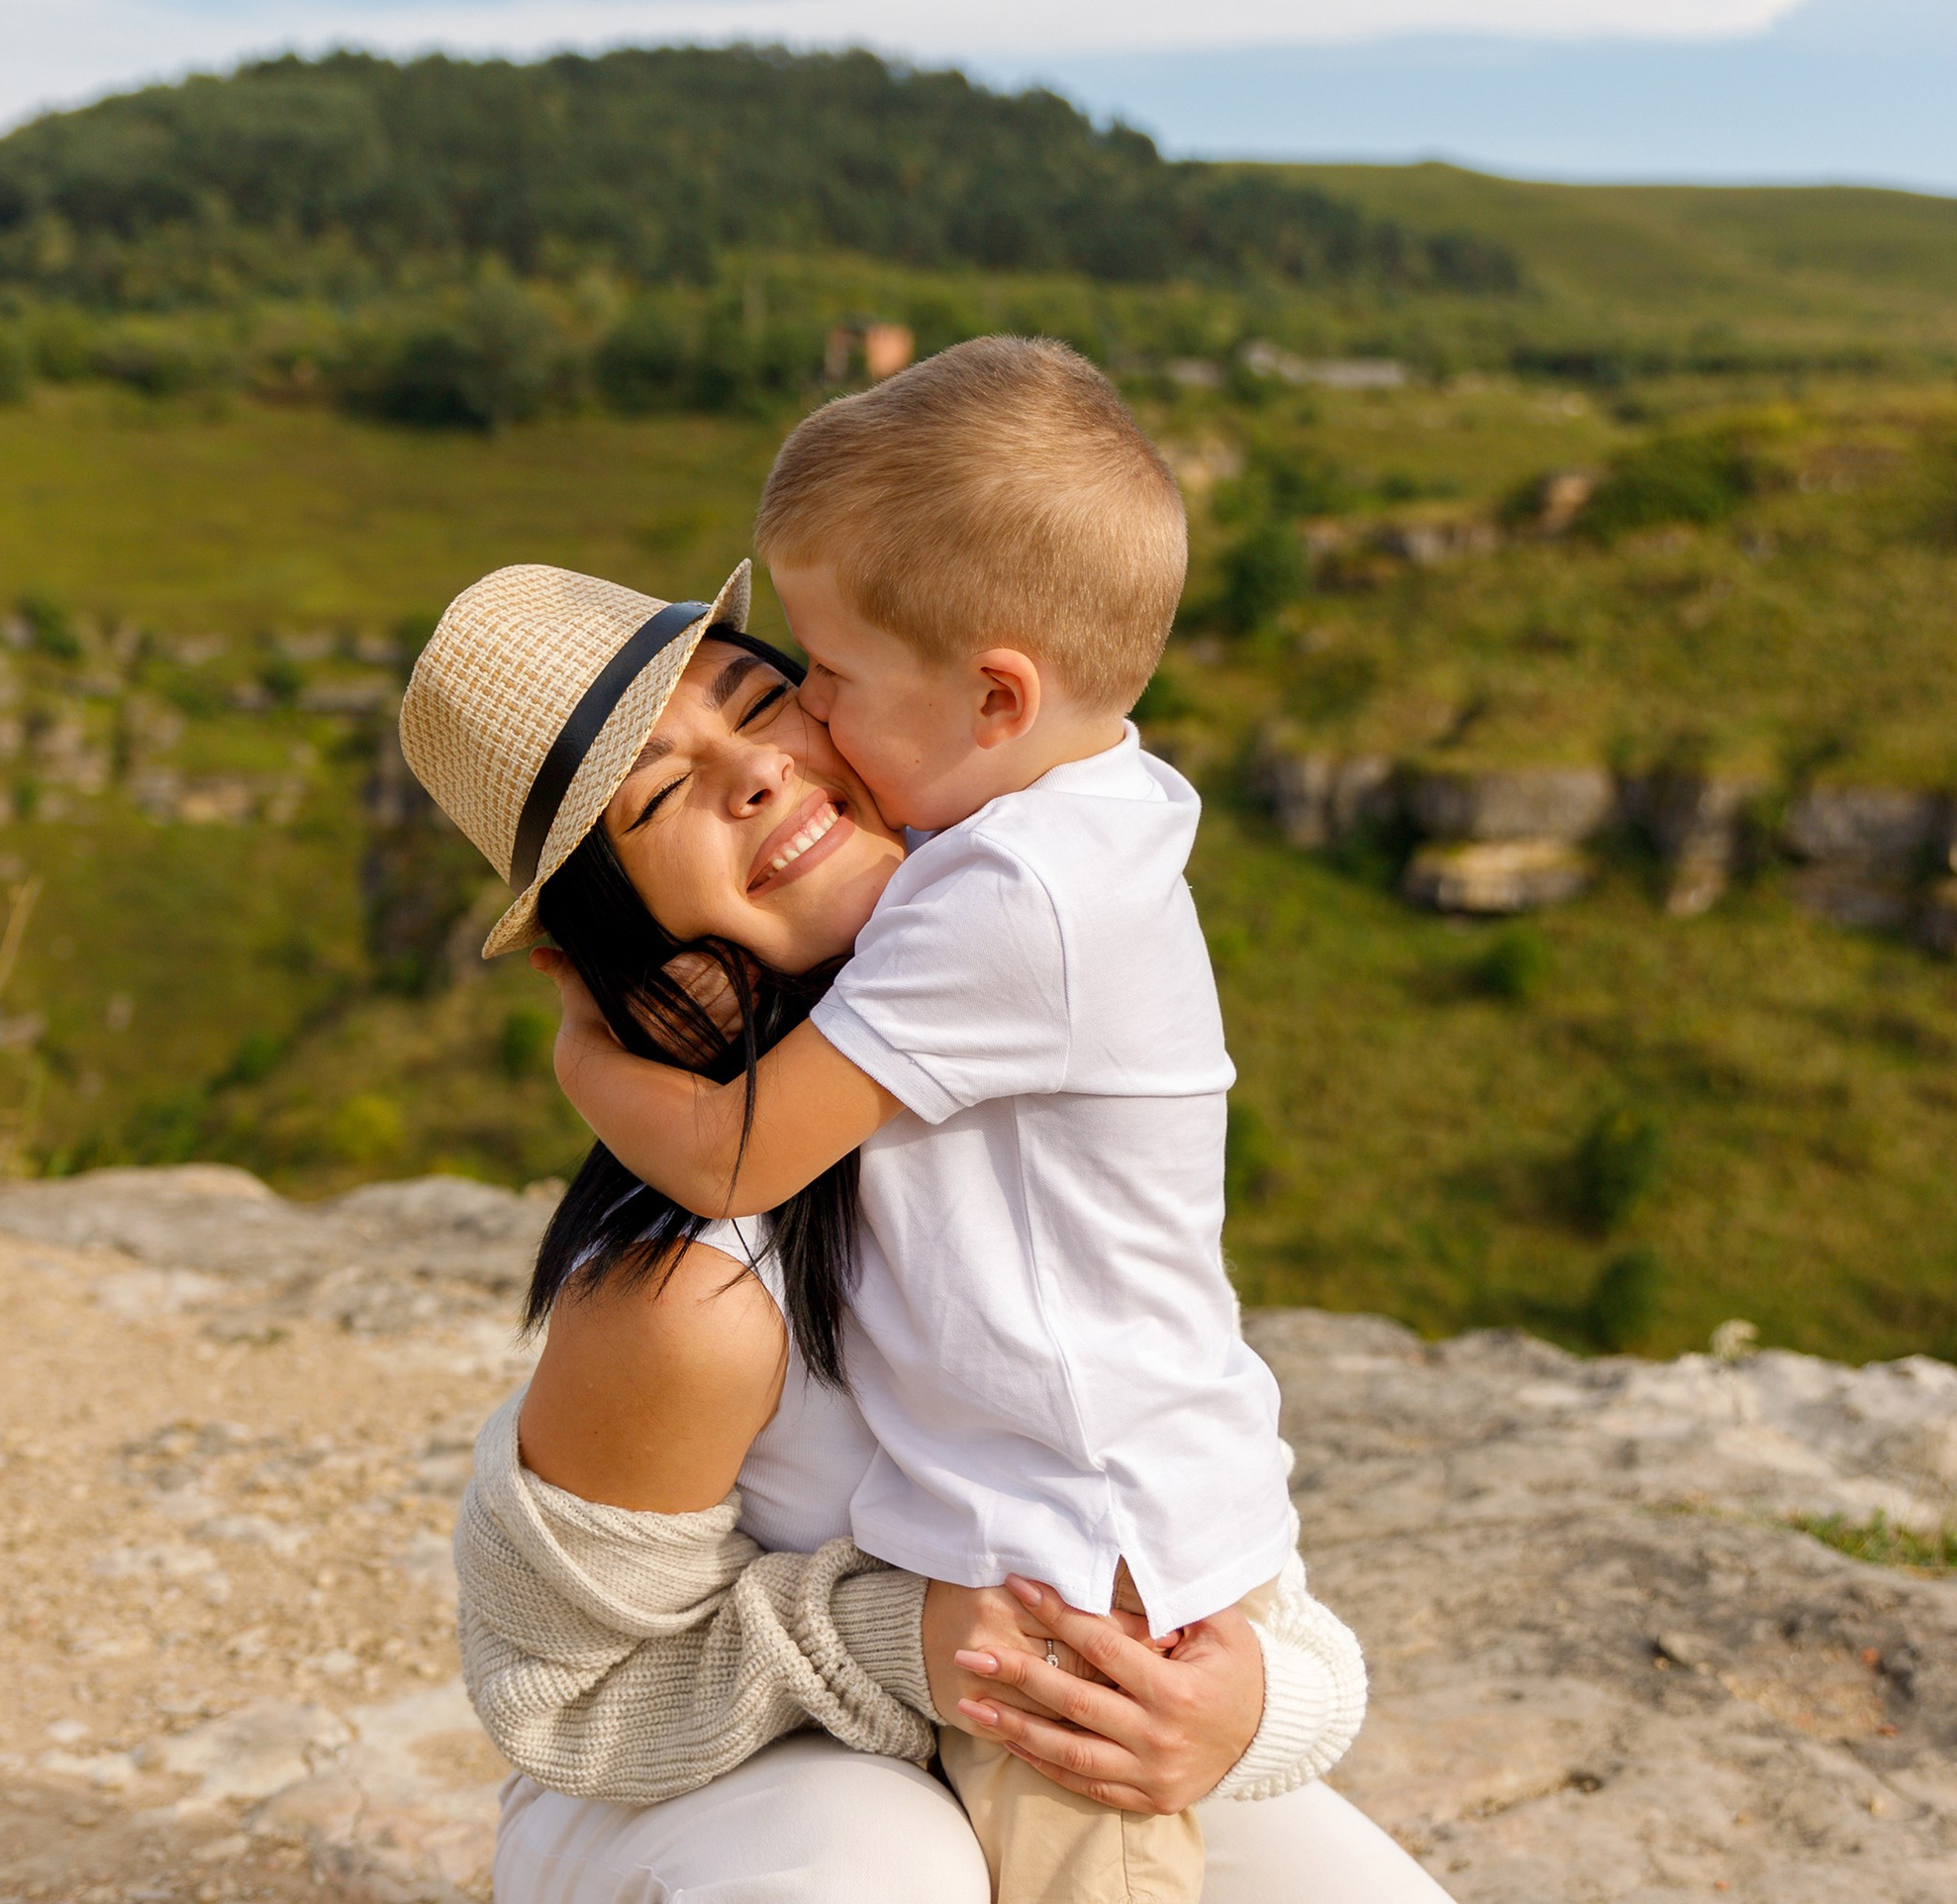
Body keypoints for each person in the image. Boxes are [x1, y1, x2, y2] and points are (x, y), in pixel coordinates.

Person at [401, 564, 1447, 1902]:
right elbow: (571, 1704)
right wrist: (908, 1636)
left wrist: (1239, 1711)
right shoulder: (689, 1303)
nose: (759, 774)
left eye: (764, 703)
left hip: (1013, 1732)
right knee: (881, 1871)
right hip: (718, 1800)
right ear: (605, 942)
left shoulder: (1032, 1097)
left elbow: (1186, 1509)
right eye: (659, 794)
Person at [540, 338, 1294, 1903]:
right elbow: (575, 1692)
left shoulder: (1009, 894)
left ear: (994, 697)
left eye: (804, 677)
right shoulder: (1091, 818)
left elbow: (740, 1146)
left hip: (1084, 1583)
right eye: (665, 795)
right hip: (1007, 1619)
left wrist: (584, 1055)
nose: (786, 746)